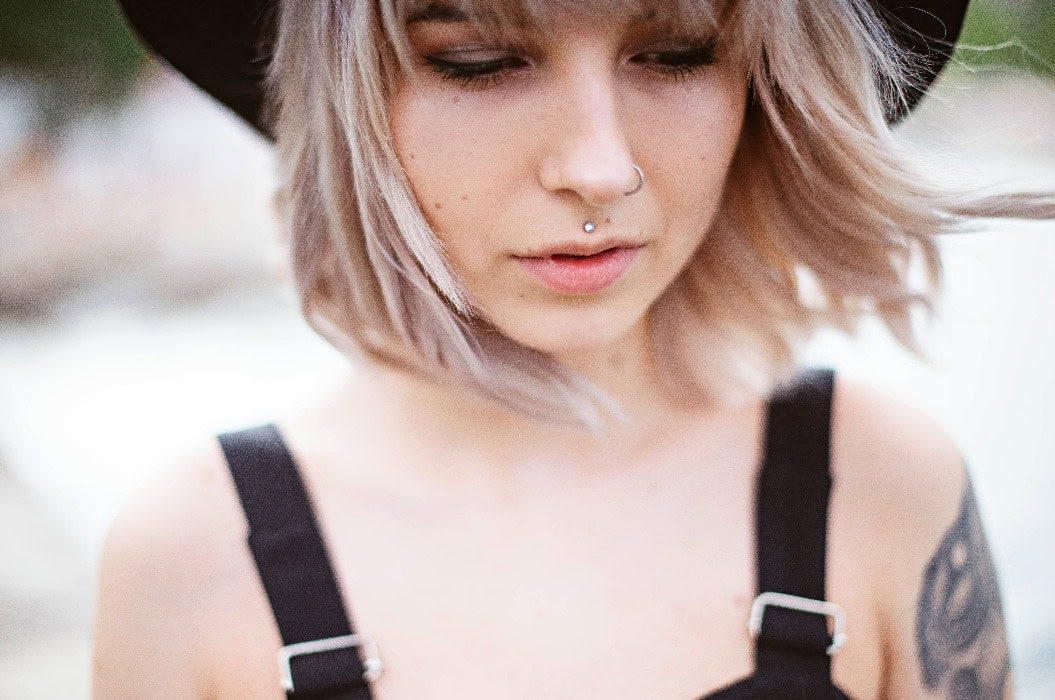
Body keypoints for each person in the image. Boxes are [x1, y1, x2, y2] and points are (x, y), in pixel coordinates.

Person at [93, 0, 1051, 697]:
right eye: (475, 60)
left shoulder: (877, 487)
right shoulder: (190, 560)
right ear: (336, 100)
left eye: (676, 53)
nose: (600, 168)